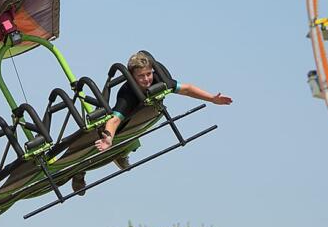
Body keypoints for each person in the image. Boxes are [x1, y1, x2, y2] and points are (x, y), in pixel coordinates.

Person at [71, 51, 231, 193]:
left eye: (148, 74)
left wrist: (212, 98)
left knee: (136, 133)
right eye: (141, 76)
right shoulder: (127, 94)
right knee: (105, 137)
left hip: (141, 119)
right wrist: (108, 139)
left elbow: (187, 88)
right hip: (124, 121)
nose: (147, 79)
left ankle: (122, 153)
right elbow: (114, 121)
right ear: (132, 76)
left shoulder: (160, 80)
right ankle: (80, 171)